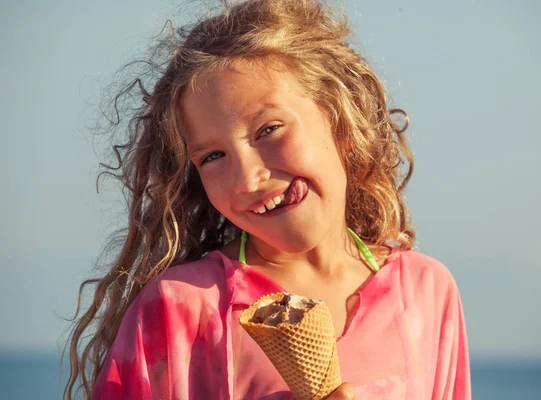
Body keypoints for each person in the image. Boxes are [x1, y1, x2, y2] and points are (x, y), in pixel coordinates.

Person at [64, 0, 471, 398]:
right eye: (213, 156)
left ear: (340, 120)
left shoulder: (426, 293)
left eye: (269, 129)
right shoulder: (180, 309)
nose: (247, 178)